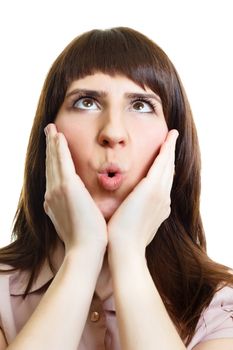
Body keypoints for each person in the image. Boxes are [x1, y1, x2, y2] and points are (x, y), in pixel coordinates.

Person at [0, 27, 233, 350]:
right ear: (49, 135)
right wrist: (82, 254)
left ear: (172, 145)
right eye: (86, 102)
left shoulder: (218, 305)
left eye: (140, 105)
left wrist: (128, 253)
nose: (113, 132)